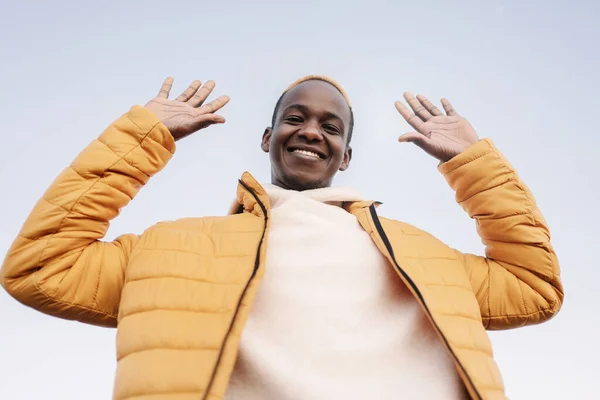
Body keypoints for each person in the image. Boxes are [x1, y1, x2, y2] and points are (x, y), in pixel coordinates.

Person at [0, 75, 563, 400]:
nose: (312, 129)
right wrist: (142, 136)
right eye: (295, 117)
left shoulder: (424, 256)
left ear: (347, 156)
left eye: (332, 126)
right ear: (269, 136)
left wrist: (473, 161)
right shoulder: (173, 247)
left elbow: (534, 285)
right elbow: (42, 266)